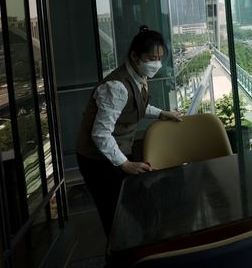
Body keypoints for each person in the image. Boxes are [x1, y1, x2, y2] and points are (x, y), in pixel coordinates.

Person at [76, 25, 183, 237]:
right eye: (152, 58)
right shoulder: (116, 87)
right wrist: (125, 164)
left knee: (136, 203)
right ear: (135, 56)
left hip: (118, 150)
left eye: (160, 58)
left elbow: (135, 106)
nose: (157, 64)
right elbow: (101, 134)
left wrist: (162, 113)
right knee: (115, 215)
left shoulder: (138, 77)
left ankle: (139, 246)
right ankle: (119, 262)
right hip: (97, 159)